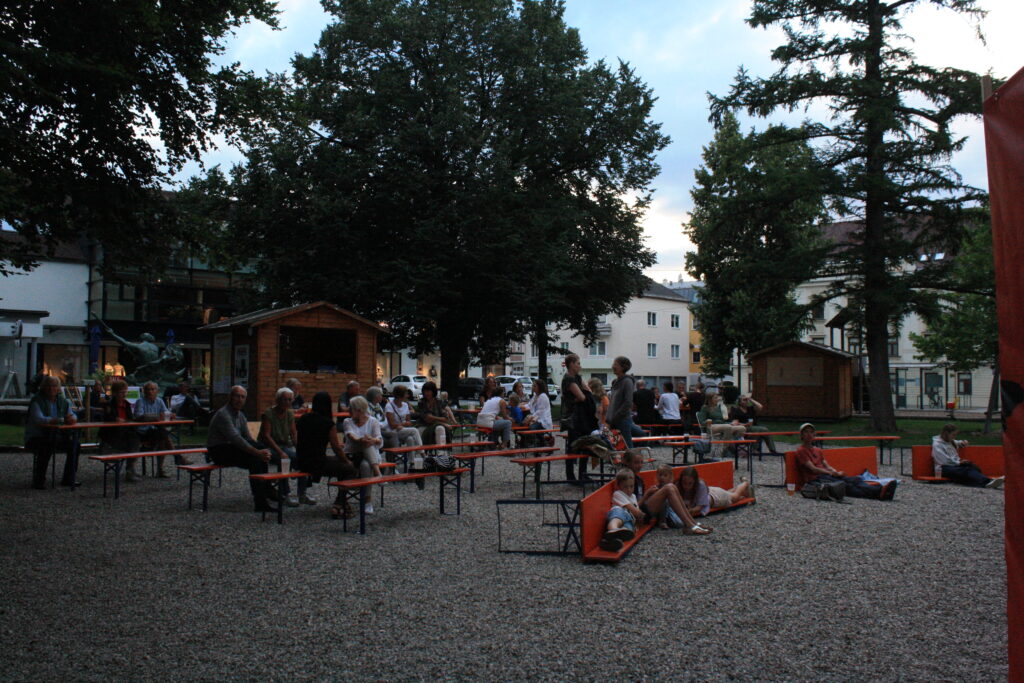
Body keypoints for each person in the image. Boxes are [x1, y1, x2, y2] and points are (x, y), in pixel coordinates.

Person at [207, 385, 276, 512]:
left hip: (231, 448)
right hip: (218, 451)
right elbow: (236, 439)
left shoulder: (240, 415)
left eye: (242, 397)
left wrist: (261, 451)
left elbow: (248, 438)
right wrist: (257, 452)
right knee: (256, 457)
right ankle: (261, 499)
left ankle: (265, 491)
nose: (239, 400)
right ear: (230, 397)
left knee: (258, 454)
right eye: (237, 396)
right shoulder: (223, 414)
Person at [294, 391, 358, 517]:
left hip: (302, 460)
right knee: (350, 469)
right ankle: (339, 503)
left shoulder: (303, 419)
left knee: (339, 464)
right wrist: (346, 460)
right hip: (318, 462)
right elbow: (336, 448)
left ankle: (342, 501)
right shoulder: (328, 423)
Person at [794, 423, 897, 500]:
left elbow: (826, 464)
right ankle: (878, 493)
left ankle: (880, 489)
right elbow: (813, 469)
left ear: (814, 434)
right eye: (806, 432)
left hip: (826, 475)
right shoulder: (801, 450)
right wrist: (831, 473)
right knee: (844, 485)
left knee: (855, 480)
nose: (809, 434)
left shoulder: (817, 450)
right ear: (802, 436)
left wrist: (836, 472)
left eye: (811, 432)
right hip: (815, 479)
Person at [620, 450, 711, 535]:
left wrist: (650, 494)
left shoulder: (638, 479)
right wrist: (647, 494)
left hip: (644, 509)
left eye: (641, 462)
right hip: (637, 514)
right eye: (636, 463)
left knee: (671, 486)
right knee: (668, 488)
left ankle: (692, 523)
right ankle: (689, 525)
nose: (639, 465)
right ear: (628, 463)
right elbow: (633, 507)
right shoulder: (626, 480)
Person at [25, 375, 79, 489]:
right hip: (37, 436)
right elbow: (38, 419)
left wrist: (72, 419)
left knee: (75, 445)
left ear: (58, 388)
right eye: (48, 386)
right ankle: (39, 480)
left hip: (56, 435)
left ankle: (69, 478)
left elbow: (72, 415)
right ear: (43, 387)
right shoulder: (37, 401)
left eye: (54, 386)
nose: (51, 388)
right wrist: (59, 420)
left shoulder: (63, 401)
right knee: (46, 445)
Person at [133, 380, 184, 477]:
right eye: (148, 389)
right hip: (143, 432)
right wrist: (155, 416)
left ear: (157, 391)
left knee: (162, 438)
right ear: (144, 391)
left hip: (155, 431)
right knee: (163, 435)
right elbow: (139, 416)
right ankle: (176, 457)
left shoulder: (159, 401)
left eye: (153, 389)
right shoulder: (140, 401)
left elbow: (165, 413)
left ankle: (162, 469)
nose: (150, 391)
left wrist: (170, 415)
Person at [342, 396, 384, 513]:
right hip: (353, 455)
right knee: (365, 444)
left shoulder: (373, 421)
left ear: (359, 410)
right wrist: (362, 440)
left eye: (351, 408)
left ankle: (367, 501)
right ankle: (378, 474)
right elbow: (351, 436)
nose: (349, 411)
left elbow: (379, 440)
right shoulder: (347, 421)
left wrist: (372, 439)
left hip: (370, 457)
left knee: (366, 465)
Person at [260, 387, 300, 507]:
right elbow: (266, 436)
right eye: (284, 400)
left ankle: (302, 492)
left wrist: (299, 448)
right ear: (278, 400)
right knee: (284, 460)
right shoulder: (269, 413)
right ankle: (285, 493)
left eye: (289, 400)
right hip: (268, 445)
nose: (287, 402)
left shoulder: (289, 414)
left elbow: (293, 433)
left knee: (301, 458)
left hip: (283, 445)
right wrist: (280, 452)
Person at [931, 423, 1004, 488]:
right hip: (943, 469)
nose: (954, 437)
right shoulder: (937, 444)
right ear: (946, 433)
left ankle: (985, 481)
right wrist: (958, 463)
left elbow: (957, 443)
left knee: (973, 467)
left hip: (953, 465)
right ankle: (986, 482)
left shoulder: (950, 441)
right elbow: (943, 460)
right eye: (953, 435)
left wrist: (962, 443)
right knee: (966, 470)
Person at [99, 379, 142, 480]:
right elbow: (107, 419)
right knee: (134, 441)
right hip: (112, 435)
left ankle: (130, 469)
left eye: (125, 392)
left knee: (135, 439)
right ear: (115, 393)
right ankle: (130, 470)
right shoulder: (109, 405)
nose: (124, 394)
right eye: (121, 392)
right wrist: (115, 419)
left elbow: (130, 419)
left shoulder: (126, 404)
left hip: (126, 433)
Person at [561, 353, 594, 483]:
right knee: (574, 446)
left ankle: (582, 474)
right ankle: (571, 476)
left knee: (584, 443)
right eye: (578, 363)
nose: (580, 366)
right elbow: (582, 396)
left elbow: (588, 392)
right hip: (574, 417)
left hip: (581, 416)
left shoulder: (577, 378)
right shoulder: (569, 379)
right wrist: (582, 394)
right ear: (571, 364)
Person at [676, 465, 753, 518]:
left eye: (690, 483)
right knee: (729, 493)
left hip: (716, 498)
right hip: (711, 492)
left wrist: (691, 510)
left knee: (735, 497)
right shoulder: (678, 486)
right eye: (684, 483)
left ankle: (745, 483)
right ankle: (744, 491)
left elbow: (700, 507)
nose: (686, 486)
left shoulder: (700, 486)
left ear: (695, 482)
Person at [599, 469, 642, 551]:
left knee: (628, 530)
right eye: (625, 487)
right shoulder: (618, 493)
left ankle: (611, 542)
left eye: (631, 486)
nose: (629, 489)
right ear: (618, 485)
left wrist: (637, 523)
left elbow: (636, 512)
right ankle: (613, 529)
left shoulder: (633, 496)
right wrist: (640, 515)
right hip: (620, 512)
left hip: (629, 519)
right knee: (618, 517)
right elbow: (634, 510)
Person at [607, 356, 645, 448]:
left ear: (623, 367)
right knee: (617, 446)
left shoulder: (627, 381)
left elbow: (628, 402)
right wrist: (609, 417)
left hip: (622, 419)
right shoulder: (616, 382)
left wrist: (616, 416)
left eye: (615, 364)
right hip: (613, 421)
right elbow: (613, 403)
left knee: (626, 447)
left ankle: (631, 461)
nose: (613, 366)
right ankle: (621, 462)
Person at [381, 385, 423, 458]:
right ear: (400, 395)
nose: (407, 395)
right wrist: (403, 424)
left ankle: (411, 463)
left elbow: (408, 422)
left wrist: (402, 425)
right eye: (406, 394)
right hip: (393, 431)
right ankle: (422, 453)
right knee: (414, 430)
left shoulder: (405, 405)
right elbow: (392, 425)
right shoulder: (389, 406)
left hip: (402, 429)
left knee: (410, 439)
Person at [417, 381, 457, 445]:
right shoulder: (422, 402)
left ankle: (441, 452)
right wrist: (442, 422)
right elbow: (427, 419)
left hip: (437, 425)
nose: (426, 393)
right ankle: (423, 453)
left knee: (440, 428)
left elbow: (445, 418)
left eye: (428, 391)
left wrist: (433, 417)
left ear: (433, 391)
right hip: (424, 425)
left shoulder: (439, 402)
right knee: (419, 431)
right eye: (425, 391)